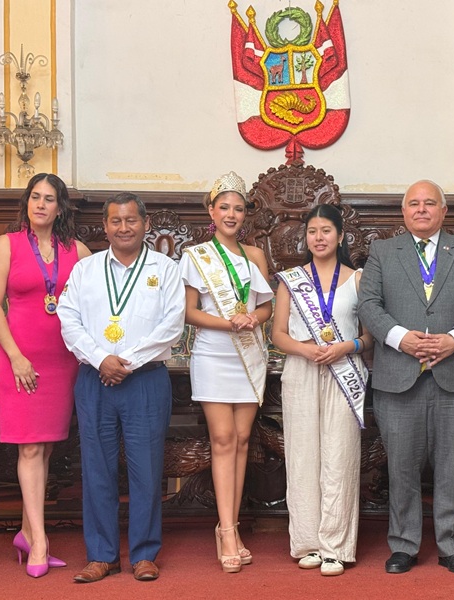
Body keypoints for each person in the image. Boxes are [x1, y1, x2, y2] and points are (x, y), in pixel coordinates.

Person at [358, 180, 454, 575]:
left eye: (429, 203)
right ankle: (404, 545)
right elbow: (369, 304)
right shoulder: (383, 251)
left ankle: (452, 547)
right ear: (404, 212)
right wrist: (400, 338)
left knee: (453, 469)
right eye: (414, 203)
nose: (421, 209)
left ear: (443, 211)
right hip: (398, 377)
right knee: (401, 469)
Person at [58, 192, 185, 583]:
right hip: (95, 378)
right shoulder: (86, 269)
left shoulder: (165, 269)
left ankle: (144, 554)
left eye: (131, 220)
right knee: (96, 468)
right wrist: (101, 359)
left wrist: (125, 361)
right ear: (105, 225)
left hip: (145, 379)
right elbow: (68, 318)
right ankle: (101, 555)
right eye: (116, 220)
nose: (124, 227)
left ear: (145, 224)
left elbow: (172, 324)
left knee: (146, 469)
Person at [0, 173, 91, 578]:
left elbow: (91, 304)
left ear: (60, 208)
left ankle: (27, 532)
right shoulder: (6, 244)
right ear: (26, 203)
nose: (41, 204)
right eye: (35, 197)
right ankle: (40, 542)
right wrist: (15, 357)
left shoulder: (77, 250)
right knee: (29, 448)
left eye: (49, 199)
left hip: (63, 361)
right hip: (19, 359)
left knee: (45, 449)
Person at [272, 204, 374, 577]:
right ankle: (308, 542)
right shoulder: (290, 280)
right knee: (302, 456)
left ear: (341, 236)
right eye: (312, 231)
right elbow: (278, 334)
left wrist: (346, 347)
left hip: (345, 371)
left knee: (340, 456)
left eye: (326, 230)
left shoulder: (358, 279)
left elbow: (369, 336)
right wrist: (305, 350)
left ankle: (336, 546)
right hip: (302, 370)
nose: (319, 237)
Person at [179, 172, 273, 574]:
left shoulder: (255, 255)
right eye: (224, 208)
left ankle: (227, 525)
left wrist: (253, 318)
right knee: (221, 439)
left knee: (242, 440)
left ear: (245, 214)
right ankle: (229, 531)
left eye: (238, 208)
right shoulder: (195, 256)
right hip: (213, 354)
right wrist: (228, 323)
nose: (231, 214)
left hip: (249, 353)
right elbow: (189, 312)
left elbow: (266, 306)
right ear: (212, 211)